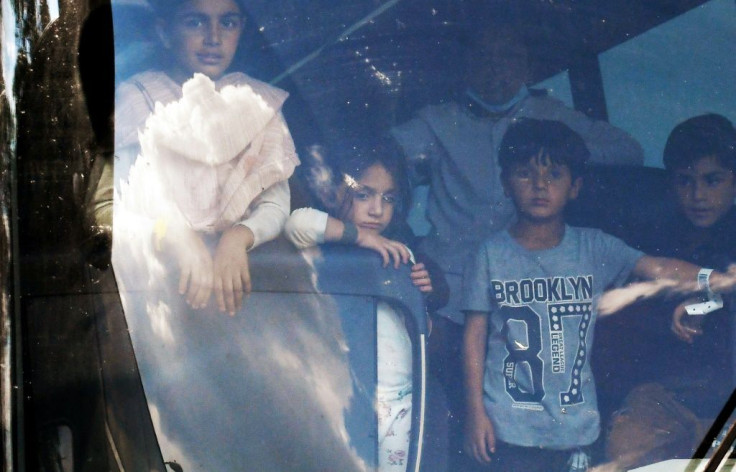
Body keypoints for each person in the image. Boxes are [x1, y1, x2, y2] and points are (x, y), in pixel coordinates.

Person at [390, 18, 644, 428]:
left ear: (526, 67)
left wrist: (551, 151)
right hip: (449, 287)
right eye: (484, 58)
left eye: (508, 57)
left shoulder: (550, 116)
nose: (496, 68)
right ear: (467, 66)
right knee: (422, 377)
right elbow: (382, 159)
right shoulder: (437, 121)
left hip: (526, 289)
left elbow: (627, 151)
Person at [461, 118, 735, 472]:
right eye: (526, 174)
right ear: (505, 183)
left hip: (577, 427)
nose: (540, 186)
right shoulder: (490, 254)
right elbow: (474, 337)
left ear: (575, 187)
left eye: (554, 174)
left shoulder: (594, 247)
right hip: (508, 423)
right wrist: (474, 412)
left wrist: (716, 283)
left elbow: (658, 268)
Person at [112, 0, 299, 315]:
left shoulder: (257, 101)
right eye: (195, 22)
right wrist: (175, 234)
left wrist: (239, 237)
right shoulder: (137, 98)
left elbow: (276, 203)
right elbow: (118, 201)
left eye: (227, 23)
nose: (214, 37)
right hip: (161, 294)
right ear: (165, 31)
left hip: (242, 293)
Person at [284, 141, 448, 471]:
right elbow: (295, 224)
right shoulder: (323, 238)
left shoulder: (399, 249)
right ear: (332, 192)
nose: (377, 210)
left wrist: (424, 290)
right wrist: (360, 237)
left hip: (401, 397)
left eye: (388, 198)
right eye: (363, 194)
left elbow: (429, 304)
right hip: (350, 396)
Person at [602, 114, 736, 470]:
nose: (698, 195)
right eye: (685, 181)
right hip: (663, 394)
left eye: (712, 181)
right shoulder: (654, 242)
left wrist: (710, 298)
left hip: (727, 399)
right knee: (626, 448)